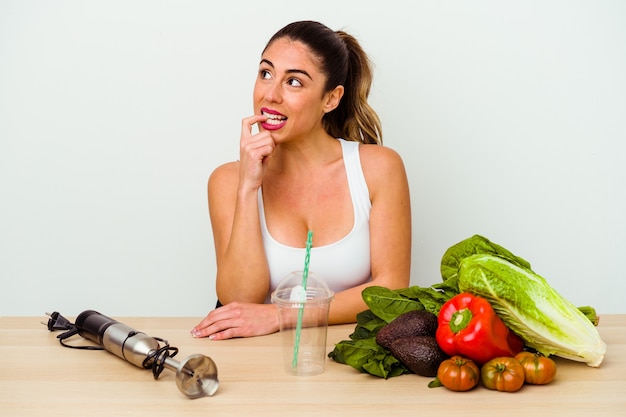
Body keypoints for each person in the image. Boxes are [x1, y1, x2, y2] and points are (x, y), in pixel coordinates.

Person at [191, 20, 411, 340]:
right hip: (257, 361)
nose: (271, 94)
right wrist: (248, 187)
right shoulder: (227, 181)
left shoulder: (378, 168)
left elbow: (391, 287)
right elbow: (239, 300)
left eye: (293, 81)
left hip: (350, 361)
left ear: (331, 99)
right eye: (266, 73)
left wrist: (281, 315)